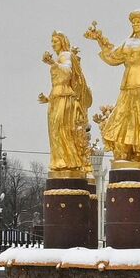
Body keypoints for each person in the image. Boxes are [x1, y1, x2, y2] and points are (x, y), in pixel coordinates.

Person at [84, 12, 140, 170]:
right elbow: (113, 56)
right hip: (127, 85)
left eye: (138, 22)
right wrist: (99, 39)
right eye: (133, 22)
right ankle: (126, 150)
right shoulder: (127, 42)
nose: (135, 24)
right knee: (123, 117)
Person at [38, 32, 93, 179]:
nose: (52, 44)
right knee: (55, 131)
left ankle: (68, 161)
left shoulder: (66, 55)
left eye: (55, 41)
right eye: (52, 42)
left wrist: (52, 63)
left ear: (62, 42)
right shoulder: (60, 58)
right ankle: (59, 161)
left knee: (62, 129)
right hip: (56, 98)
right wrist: (48, 99)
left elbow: (67, 73)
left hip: (64, 98)